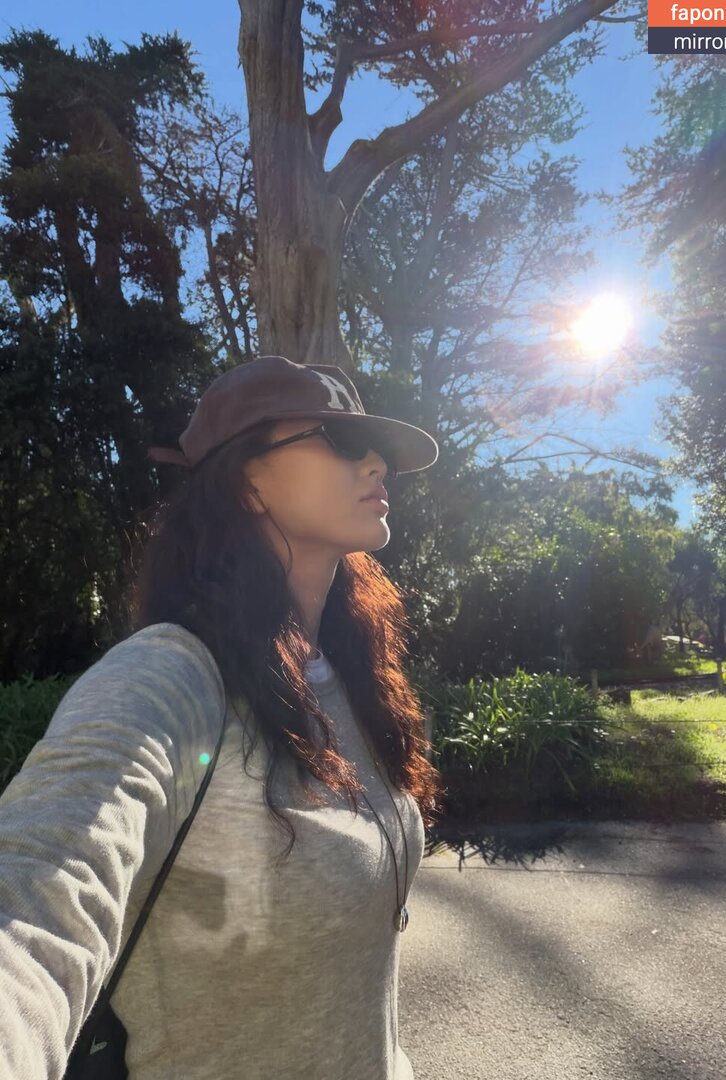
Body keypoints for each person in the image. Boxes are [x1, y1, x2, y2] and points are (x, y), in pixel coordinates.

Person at [0, 355, 445, 1079]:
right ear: (246, 482)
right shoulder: (169, 673)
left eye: (377, 448)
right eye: (340, 440)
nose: (375, 463)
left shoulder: (350, 673)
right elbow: (40, 895)